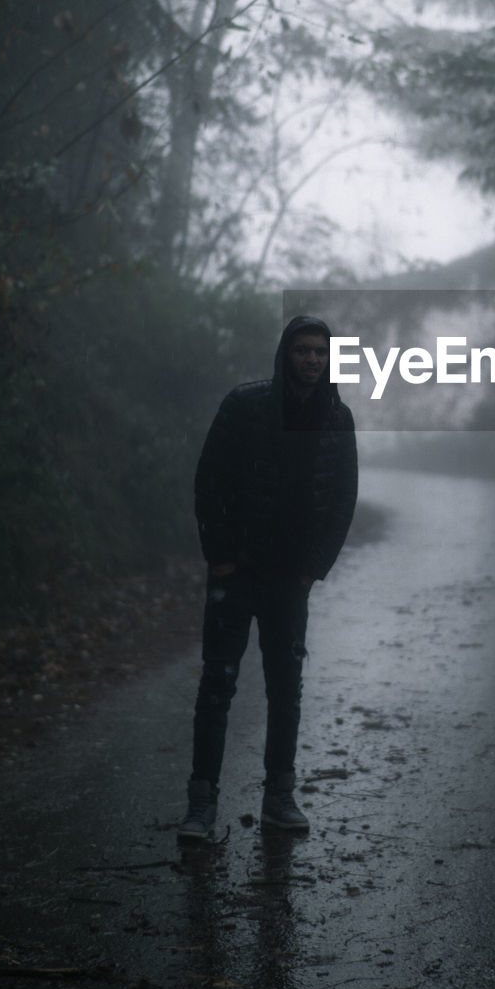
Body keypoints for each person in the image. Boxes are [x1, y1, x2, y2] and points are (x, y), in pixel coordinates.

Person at [178, 315, 357, 840]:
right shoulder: (245, 405)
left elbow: (342, 499)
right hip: (236, 572)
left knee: (286, 688)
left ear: (330, 360)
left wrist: (311, 570)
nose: (311, 360)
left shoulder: (336, 418)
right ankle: (201, 805)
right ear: (286, 354)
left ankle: (280, 797)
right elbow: (208, 481)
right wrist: (221, 557)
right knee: (218, 685)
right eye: (302, 350)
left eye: (320, 353)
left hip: (289, 580)